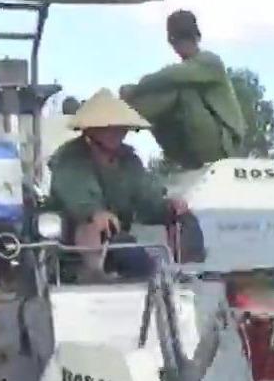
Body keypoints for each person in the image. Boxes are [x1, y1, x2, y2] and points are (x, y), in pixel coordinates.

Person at [48, 89, 189, 280]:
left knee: (178, 221)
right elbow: (76, 194)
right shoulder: (70, 158)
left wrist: (168, 206)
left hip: (117, 241)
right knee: (96, 227)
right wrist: (94, 212)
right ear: (91, 129)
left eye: (120, 127)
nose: (117, 132)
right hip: (71, 247)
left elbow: (146, 197)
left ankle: (182, 274)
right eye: (109, 127)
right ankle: (91, 277)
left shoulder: (129, 160)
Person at [119, 9, 245, 171]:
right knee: (167, 99)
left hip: (223, 143)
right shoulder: (187, 70)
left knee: (182, 91)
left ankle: (122, 118)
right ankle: (121, 117)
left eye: (186, 40)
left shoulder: (210, 62)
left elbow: (171, 75)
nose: (181, 46)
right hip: (189, 147)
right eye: (177, 41)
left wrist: (135, 90)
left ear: (197, 38)